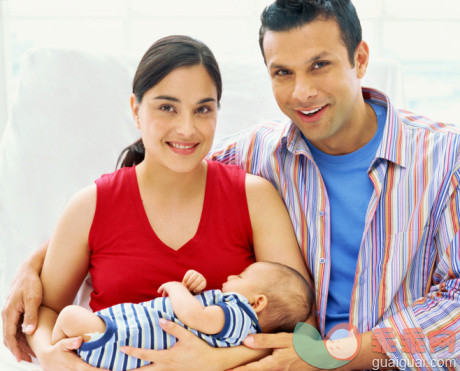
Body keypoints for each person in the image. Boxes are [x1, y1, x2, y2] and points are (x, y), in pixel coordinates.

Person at [3, 0, 459, 369]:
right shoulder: (260, 154)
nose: (302, 92)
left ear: (359, 60)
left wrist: (338, 357)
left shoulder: (445, 159)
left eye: (319, 65)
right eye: (283, 72)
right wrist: (35, 261)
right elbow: (160, 181)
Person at [2, 34, 313, 370]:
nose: (186, 128)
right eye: (167, 107)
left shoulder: (255, 198)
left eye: (203, 109)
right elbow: (46, 309)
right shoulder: (89, 206)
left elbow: (302, 328)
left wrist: (213, 361)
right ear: (136, 110)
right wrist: (52, 356)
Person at [51, 262, 313, 370]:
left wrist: (176, 288)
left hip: (117, 338)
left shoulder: (238, 313)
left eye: (241, 277)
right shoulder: (236, 326)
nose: (232, 277)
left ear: (257, 302)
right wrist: (193, 288)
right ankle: (59, 353)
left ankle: (55, 351)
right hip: (125, 345)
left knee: (68, 316)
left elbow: (194, 317)